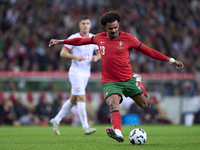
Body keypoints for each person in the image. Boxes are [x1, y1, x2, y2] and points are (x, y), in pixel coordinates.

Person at [49, 11, 184, 142]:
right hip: (111, 82)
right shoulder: (99, 38)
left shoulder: (128, 38)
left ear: (119, 25)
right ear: (105, 28)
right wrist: (60, 41)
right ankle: (118, 132)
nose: (113, 30)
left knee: (144, 104)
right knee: (113, 104)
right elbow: (80, 41)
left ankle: (137, 80)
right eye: (110, 28)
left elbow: (149, 52)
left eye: (115, 27)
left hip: (128, 79)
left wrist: (171, 60)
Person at [50, 16, 101, 135]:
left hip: (86, 74)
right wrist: (75, 57)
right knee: (82, 98)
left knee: (73, 99)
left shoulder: (94, 38)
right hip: (75, 73)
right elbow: (63, 53)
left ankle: (56, 120)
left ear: (90, 25)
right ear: (79, 25)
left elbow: (100, 54)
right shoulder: (73, 38)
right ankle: (86, 127)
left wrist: (96, 58)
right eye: (83, 23)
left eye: (87, 23)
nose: (85, 25)